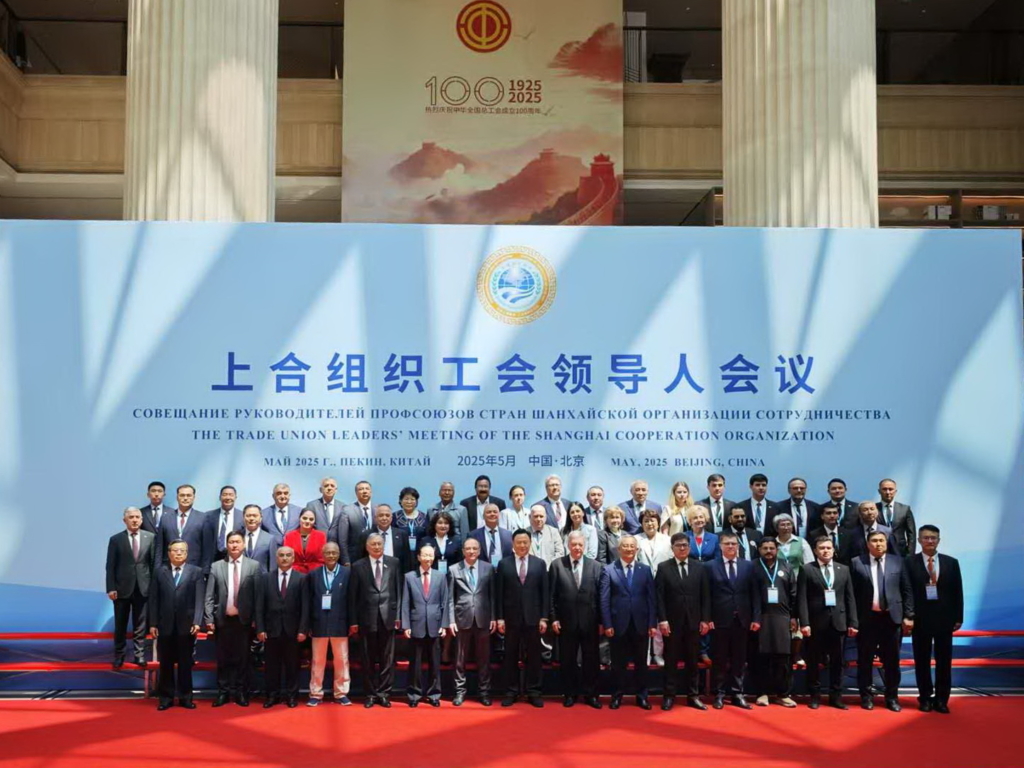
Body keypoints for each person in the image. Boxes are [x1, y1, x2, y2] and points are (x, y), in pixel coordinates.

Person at [850, 531, 914, 711]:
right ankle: (866, 696)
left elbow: (907, 590)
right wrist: (853, 620)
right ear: (867, 544)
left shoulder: (898, 561)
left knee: (892, 662)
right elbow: (851, 594)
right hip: (867, 619)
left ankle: (892, 697)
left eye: (881, 541)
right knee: (865, 660)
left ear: (886, 543)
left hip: (892, 620)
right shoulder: (857, 562)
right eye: (874, 541)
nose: (878, 544)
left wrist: (909, 616)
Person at [905, 525, 963, 713]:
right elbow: (907, 591)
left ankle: (942, 699)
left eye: (933, 538)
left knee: (944, 662)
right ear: (919, 540)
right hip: (920, 619)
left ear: (939, 540)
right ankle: (924, 698)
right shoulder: (909, 562)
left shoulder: (951, 562)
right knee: (921, 661)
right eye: (926, 537)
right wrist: (908, 616)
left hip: (945, 620)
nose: (930, 541)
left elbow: (957, 591)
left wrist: (958, 617)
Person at [798, 536, 858, 709]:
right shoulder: (807, 569)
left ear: (833, 550)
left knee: (838, 662)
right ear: (815, 551)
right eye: (822, 548)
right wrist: (804, 622)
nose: (825, 551)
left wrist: (853, 622)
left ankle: (836, 696)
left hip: (839, 622)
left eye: (828, 548)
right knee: (813, 661)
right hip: (815, 623)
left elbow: (850, 598)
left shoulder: (843, 569)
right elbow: (802, 598)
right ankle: (815, 696)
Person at [205, 530, 262, 706]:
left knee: (243, 659)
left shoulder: (254, 566)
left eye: (237, 542)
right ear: (227, 545)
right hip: (223, 620)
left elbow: (258, 596)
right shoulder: (216, 566)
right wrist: (209, 619)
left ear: (244, 544)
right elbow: (209, 596)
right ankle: (223, 692)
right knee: (223, 659)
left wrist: (257, 620)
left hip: (244, 621)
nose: (234, 545)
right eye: (231, 542)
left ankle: (240, 692)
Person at [599, 534, 656, 709]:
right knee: (618, 664)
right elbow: (604, 599)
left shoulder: (645, 569)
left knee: (641, 663)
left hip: (641, 623)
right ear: (618, 549)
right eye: (625, 546)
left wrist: (652, 624)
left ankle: (642, 696)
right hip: (618, 624)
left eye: (632, 546)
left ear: (637, 549)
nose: (629, 549)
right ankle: (617, 696)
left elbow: (651, 598)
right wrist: (607, 624)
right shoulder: (609, 570)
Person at [655, 533, 711, 711]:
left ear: (689, 547)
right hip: (671, 623)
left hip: (694, 622)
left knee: (692, 661)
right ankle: (669, 696)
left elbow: (706, 595)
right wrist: (662, 620)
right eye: (678, 545)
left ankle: (693, 696)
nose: (682, 548)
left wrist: (705, 619)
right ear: (672, 548)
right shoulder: (663, 567)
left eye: (685, 545)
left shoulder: (700, 567)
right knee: (670, 661)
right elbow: (659, 597)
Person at [706, 532, 761, 709]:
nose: (730, 546)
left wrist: (756, 618)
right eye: (727, 543)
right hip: (719, 620)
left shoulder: (748, 566)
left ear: (738, 546)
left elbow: (755, 594)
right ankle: (719, 693)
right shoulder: (710, 566)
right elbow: (706, 595)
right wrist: (707, 618)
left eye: (733, 544)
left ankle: (737, 693)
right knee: (719, 658)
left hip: (742, 619)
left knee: (739, 659)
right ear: (720, 546)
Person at [549, 531, 603, 709]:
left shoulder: (596, 566)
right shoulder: (557, 565)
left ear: (584, 546)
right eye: (574, 545)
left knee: (591, 660)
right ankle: (569, 694)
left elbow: (601, 597)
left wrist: (602, 622)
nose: (577, 548)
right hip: (566, 621)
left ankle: (591, 694)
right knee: (568, 659)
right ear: (568, 545)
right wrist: (554, 618)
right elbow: (551, 595)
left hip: (590, 621)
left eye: (580, 544)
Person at [348, 532, 402, 708]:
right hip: (366, 618)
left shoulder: (394, 563)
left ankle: (384, 693)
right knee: (367, 658)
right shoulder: (358, 566)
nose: (377, 547)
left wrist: (398, 616)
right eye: (373, 544)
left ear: (384, 545)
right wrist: (353, 621)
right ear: (367, 547)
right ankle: (370, 694)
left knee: (387, 658)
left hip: (388, 617)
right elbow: (353, 596)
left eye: (379, 544)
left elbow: (399, 591)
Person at [496, 529, 549, 707]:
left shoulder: (539, 564)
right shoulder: (504, 564)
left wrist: (544, 617)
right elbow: (499, 593)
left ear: (530, 543)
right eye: (519, 542)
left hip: (533, 618)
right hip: (511, 618)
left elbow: (545, 592)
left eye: (525, 542)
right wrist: (500, 618)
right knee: (510, 655)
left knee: (534, 656)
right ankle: (511, 691)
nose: (522, 545)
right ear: (513, 544)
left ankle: (534, 691)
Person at [148, 539, 203, 710]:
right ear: (169, 553)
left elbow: (199, 598)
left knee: (186, 663)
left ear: (187, 553)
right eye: (175, 550)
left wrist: (197, 621)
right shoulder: (159, 572)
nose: (179, 553)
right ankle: (166, 698)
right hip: (164, 625)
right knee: (166, 662)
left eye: (182, 551)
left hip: (187, 625)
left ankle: (186, 697)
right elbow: (153, 599)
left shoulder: (196, 572)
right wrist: (153, 623)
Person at [257, 546, 309, 708]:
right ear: (276, 558)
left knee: (292, 666)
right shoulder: (266, 578)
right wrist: (260, 628)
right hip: (271, 630)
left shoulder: (302, 578)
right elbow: (260, 606)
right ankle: (272, 696)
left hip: (293, 631)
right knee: (272, 667)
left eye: (288, 555)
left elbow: (305, 607)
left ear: (293, 559)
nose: (285, 558)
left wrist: (303, 629)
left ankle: (292, 696)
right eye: (281, 555)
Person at [447, 538, 496, 706]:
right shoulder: (454, 569)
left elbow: (492, 596)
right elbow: (450, 598)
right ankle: (459, 692)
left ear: (479, 550)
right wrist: (451, 620)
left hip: (483, 618)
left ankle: (484, 692)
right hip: (462, 618)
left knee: (484, 659)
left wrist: (494, 617)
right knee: (459, 659)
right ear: (463, 551)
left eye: (474, 548)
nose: (471, 551)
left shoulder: (488, 568)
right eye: (468, 548)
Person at [106, 506, 155, 668]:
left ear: (141, 520)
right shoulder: (116, 539)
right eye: (131, 517)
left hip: (143, 587)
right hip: (121, 589)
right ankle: (119, 655)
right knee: (120, 624)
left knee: (140, 625)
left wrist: (153, 587)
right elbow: (110, 566)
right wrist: (111, 588)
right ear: (124, 520)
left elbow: (153, 565)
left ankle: (139, 655)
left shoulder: (150, 537)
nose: (134, 520)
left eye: (137, 517)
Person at [401, 544, 450, 707]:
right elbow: (405, 602)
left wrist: (444, 624)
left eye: (431, 555)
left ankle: (434, 694)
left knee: (435, 663)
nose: (428, 558)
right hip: (416, 624)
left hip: (435, 625)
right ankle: (414, 695)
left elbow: (445, 601)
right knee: (415, 663)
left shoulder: (440, 576)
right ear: (418, 557)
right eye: (425, 555)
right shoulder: (409, 577)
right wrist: (406, 625)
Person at [751, 538, 797, 707]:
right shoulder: (753, 567)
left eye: (771, 548)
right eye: (765, 548)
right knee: (761, 657)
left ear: (777, 549)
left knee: (783, 658)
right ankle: (762, 693)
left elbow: (793, 593)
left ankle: (783, 694)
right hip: (760, 617)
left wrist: (794, 617)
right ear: (759, 550)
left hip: (782, 617)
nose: (768, 551)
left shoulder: (786, 567)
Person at [306, 541, 352, 706]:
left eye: (334, 553)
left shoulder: (347, 573)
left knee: (341, 659)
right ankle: (316, 693)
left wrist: (352, 622)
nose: (331, 556)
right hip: (318, 622)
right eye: (327, 553)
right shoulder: (314, 574)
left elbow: (352, 600)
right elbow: (308, 601)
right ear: (322, 555)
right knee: (317, 660)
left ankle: (341, 693)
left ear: (338, 554)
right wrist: (308, 624)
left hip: (340, 623)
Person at [155, 484, 213, 575]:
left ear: (194, 497)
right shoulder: (165, 518)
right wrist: (157, 570)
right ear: (177, 497)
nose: (185, 498)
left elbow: (207, 549)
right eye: (182, 495)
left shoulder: (203, 518)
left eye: (188, 495)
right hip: (168, 569)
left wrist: (205, 572)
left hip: (194, 568)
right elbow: (159, 547)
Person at [357, 504, 411, 572]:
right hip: (372, 573)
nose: (384, 518)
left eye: (387, 515)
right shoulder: (366, 535)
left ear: (391, 518)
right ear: (375, 518)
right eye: (381, 515)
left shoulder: (402, 534)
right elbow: (361, 557)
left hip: (396, 573)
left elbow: (407, 559)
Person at [306, 476, 349, 549]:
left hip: (336, 548)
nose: (329, 488)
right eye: (326, 486)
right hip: (316, 546)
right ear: (320, 490)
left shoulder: (343, 507)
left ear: (336, 490)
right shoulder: (312, 505)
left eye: (332, 486)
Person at [877, 479, 917, 556]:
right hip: (879, 550)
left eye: (890, 489)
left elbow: (911, 534)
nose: (888, 492)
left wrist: (910, 555)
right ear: (879, 491)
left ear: (895, 491)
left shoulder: (905, 509)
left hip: (900, 551)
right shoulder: (873, 509)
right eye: (884, 489)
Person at [469, 503, 514, 567]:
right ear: (483, 516)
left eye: (495, 512)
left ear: (499, 515)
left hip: (503, 570)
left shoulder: (508, 534)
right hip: (482, 570)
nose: (492, 514)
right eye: (489, 512)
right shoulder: (473, 535)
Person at [283, 508, 327, 574]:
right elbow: (286, 558)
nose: (307, 521)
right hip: (294, 574)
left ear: (314, 521)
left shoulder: (321, 536)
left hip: (315, 574)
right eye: (304, 518)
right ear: (299, 518)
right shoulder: (289, 536)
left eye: (311, 519)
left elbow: (322, 559)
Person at [240, 503, 281, 573]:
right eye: (248, 516)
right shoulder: (238, 536)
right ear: (243, 517)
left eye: (255, 516)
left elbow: (273, 566)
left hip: (262, 578)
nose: (251, 518)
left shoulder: (270, 539)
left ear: (261, 518)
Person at [207, 485, 244, 561]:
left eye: (231, 495)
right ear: (220, 497)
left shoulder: (242, 516)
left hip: (234, 557)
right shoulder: (208, 516)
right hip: (212, 558)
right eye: (225, 495)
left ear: (235, 497)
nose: (228, 497)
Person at [343, 480, 375, 564]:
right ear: (356, 493)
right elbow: (343, 539)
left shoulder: (378, 509)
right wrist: (345, 559)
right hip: (355, 557)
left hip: (375, 554)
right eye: (361, 489)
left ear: (371, 492)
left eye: (367, 489)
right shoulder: (347, 510)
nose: (364, 491)